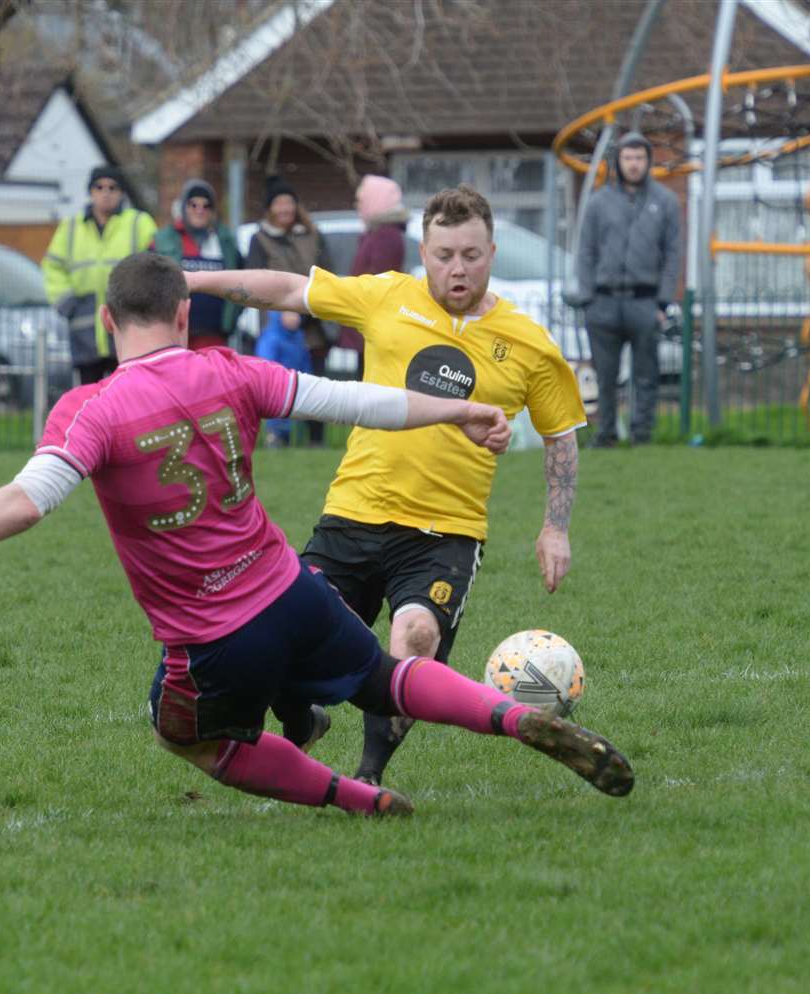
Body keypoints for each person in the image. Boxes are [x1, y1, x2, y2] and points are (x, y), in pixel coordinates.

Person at [0, 252, 633, 816]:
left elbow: (25, 503)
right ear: (183, 314)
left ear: (108, 320)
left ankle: (363, 799)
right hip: (292, 591)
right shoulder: (230, 370)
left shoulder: (91, 410)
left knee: (188, 740)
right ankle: (508, 716)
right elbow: (358, 401)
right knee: (385, 677)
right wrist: (460, 407)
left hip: (211, 640)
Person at [188, 184, 589, 787]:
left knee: (415, 638)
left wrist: (554, 527)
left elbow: (561, 436)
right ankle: (302, 718)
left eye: (472, 255)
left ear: (493, 252)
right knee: (283, 638)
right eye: (445, 254)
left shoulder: (529, 342)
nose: (458, 268)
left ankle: (370, 777)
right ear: (422, 252)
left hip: (444, 533)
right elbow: (288, 288)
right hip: (353, 513)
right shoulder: (385, 297)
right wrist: (194, 284)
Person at [569, 131, 682, 448]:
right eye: (628, 158)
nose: (634, 164)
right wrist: (588, 297)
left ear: (649, 161)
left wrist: (662, 303)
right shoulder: (598, 203)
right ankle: (605, 433)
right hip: (603, 302)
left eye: (640, 158)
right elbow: (586, 252)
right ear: (618, 162)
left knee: (646, 373)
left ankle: (641, 433)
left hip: (644, 301)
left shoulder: (666, 201)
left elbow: (673, 254)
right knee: (605, 375)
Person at [43, 164, 157, 384]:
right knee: (89, 398)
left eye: (113, 187)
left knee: (125, 396)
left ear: (121, 192)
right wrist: (66, 302)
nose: (106, 193)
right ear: (91, 191)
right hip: (85, 329)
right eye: (100, 187)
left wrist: (140, 302)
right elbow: (52, 267)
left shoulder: (139, 223)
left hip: (126, 324)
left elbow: (153, 266)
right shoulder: (70, 226)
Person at [245, 175, 332, 445]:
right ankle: (278, 435)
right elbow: (254, 280)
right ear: (270, 208)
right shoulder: (260, 240)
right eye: (279, 203)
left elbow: (328, 274)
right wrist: (280, 310)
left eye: (289, 203)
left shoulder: (312, 235)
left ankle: (316, 439)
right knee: (280, 382)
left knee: (316, 382)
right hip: (277, 325)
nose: (285, 209)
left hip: (313, 322)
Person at [153, 178, 242, 349]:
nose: (199, 211)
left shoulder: (226, 241)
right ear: (184, 208)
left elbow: (241, 282)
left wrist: (231, 320)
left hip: (216, 337)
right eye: (193, 205)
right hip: (175, 337)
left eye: (205, 206)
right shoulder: (164, 239)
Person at [339, 174, 410, 379]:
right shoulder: (378, 232)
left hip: (373, 323)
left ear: (375, 201)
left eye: (361, 201)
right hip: (369, 321)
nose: (357, 206)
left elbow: (379, 281)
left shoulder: (386, 235)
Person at [256, 309, 311, 447]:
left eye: (297, 314)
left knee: (294, 418)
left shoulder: (299, 337)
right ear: (279, 316)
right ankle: (273, 438)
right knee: (276, 416)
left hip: (297, 384)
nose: (295, 318)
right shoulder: (271, 337)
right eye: (290, 314)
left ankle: (292, 441)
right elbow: (266, 362)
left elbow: (305, 360)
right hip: (277, 385)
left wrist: (307, 377)